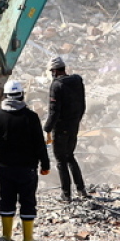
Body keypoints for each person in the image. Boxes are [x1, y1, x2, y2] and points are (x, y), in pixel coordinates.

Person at [0, 80, 50, 241]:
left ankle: (6, 236)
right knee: (27, 200)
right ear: (22, 95)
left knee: (6, 199)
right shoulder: (31, 117)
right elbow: (39, 143)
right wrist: (45, 164)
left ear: (6, 96)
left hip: (5, 168)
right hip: (27, 168)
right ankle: (28, 238)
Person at [45, 56, 88, 201]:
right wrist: (76, 120)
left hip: (61, 128)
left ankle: (66, 194)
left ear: (55, 71)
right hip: (74, 126)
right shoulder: (77, 81)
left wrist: (47, 129)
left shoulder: (56, 86)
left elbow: (54, 112)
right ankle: (81, 189)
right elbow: (82, 105)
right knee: (70, 156)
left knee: (60, 160)